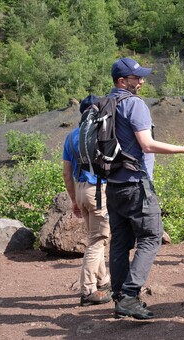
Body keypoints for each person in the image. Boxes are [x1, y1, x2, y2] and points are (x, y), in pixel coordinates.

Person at [106, 57, 184, 319]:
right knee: (151, 237)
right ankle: (130, 297)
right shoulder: (133, 104)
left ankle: (119, 296)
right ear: (123, 81)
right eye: (137, 78)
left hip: (112, 185)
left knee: (120, 242)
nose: (142, 82)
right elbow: (147, 144)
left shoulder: (103, 104)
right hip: (136, 186)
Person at [62, 94, 112, 307]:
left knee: (94, 237)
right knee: (98, 240)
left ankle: (103, 281)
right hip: (98, 190)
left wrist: (73, 200)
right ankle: (88, 290)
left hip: (81, 190)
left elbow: (66, 173)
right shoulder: (99, 132)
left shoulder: (71, 136)